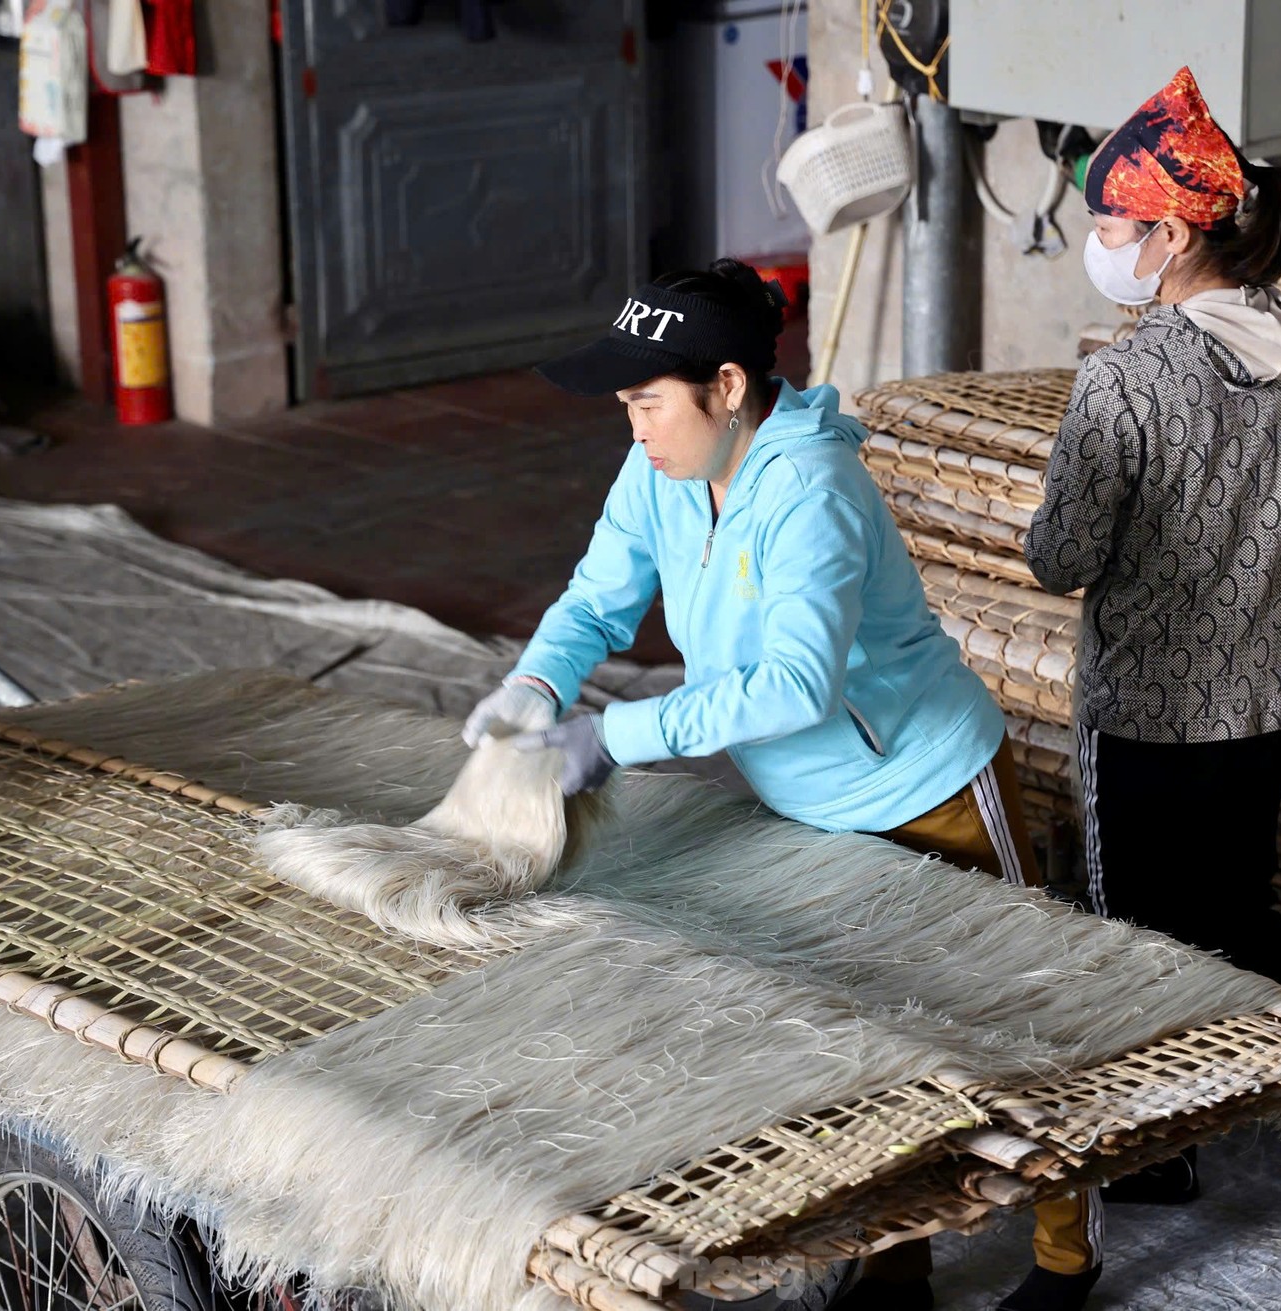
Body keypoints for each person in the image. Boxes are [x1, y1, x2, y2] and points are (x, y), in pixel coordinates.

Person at [463, 259, 1104, 1311]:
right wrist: (535, 686)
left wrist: (613, 737)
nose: (636, 430)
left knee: (1011, 1023)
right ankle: (898, 1261)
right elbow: (596, 596)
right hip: (808, 810)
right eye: (625, 407)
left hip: (925, 789)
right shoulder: (662, 474)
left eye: (647, 403)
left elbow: (799, 686)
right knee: (864, 1041)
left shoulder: (811, 488)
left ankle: (1065, 1257)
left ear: (724, 387)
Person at [1023, 67, 1281, 1207]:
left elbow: (1060, 558)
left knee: (1141, 935)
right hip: (1265, 696)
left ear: (1171, 233)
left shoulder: (1124, 375)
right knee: (1240, 908)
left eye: (1111, 224)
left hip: (1149, 711)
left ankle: (1160, 1153)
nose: (1098, 242)